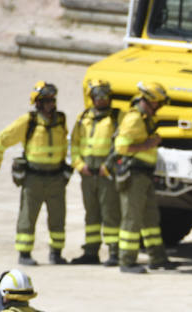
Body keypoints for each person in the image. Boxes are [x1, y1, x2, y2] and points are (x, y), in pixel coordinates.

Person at [0, 81, 69, 266]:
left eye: (52, 99)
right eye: (47, 100)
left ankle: (56, 253)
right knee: (28, 215)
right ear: (38, 102)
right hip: (34, 178)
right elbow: (5, 137)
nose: (51, 103)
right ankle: (24, 253)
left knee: (58, 217)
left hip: (56, 177)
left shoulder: (61, 120)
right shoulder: (29, 121)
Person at [113, 81, 174, 273]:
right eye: (158, 103)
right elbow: (121, 147)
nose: (160, 107)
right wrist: (147, 145)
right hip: (134, 175)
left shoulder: (145, 117)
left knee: (150, 217)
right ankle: (127, 261)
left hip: (145, 174)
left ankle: (157, 258)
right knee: (132, 218)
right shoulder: (134, 119)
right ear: (150, 101)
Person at [70, 79, 122, 266]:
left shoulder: (116, 117)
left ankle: (115, 252)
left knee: (110, 214)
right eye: (97, 96)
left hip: (106, 173)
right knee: (91, 215)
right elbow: (74, 144)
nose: (101, 100)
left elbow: (120, 144)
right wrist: (78, 164)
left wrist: (107, 165)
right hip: (87, 174)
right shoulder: (84, 118)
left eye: (104, 96)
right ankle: (91, 252)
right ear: (91, 97)